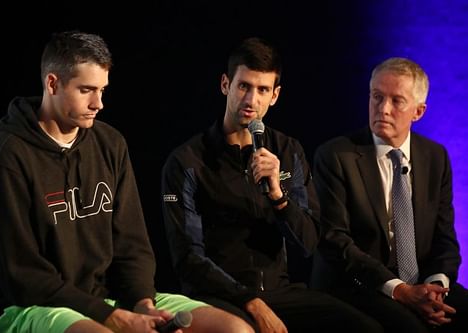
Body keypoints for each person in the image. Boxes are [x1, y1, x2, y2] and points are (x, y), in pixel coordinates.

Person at [0, 31, 254, 333]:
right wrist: (112, 319)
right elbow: (23, 276)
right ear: (52, 83)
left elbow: (132, 245)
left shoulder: (109, 143)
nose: (98, 103)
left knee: (235, 329)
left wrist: (143, 303)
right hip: (28, 306)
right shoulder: (4, 158)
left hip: (109, 298)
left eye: (102, 90)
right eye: (86, 90)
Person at [160, 37, 383, 333]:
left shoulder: (287, 150)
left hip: (280, 292)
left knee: (366, 329)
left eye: (262, 90)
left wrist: (278, 196)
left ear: (275, 95)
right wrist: (250, 301)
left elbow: (308, 242)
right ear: (225, 85)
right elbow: (188, 258)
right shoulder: (187, 161)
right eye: (244, 86)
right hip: (217, 296)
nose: (251, 100)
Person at [311, 57, 468, 332]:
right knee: (410, 327)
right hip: (358, 284)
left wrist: (436, 287)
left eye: (396, 101)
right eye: (376, 97)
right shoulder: (335, 156)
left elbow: (445, 239)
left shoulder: (435, 157)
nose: (383, 109)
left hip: (420, 283)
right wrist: (401, 291)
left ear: (418, 112)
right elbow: (335, 241)